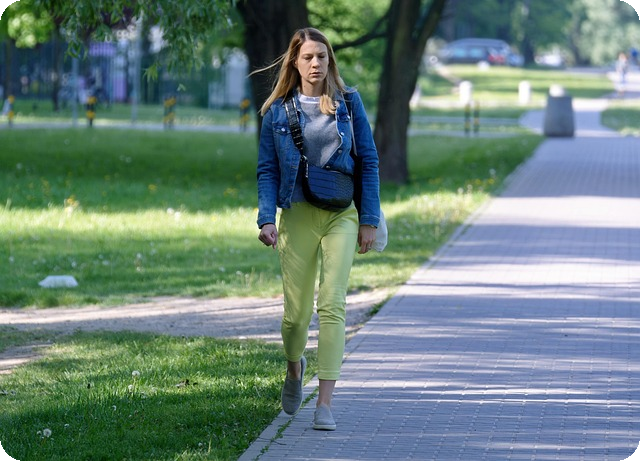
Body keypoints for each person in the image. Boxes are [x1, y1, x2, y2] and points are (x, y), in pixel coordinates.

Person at [255, 27, 381, 431]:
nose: (315, 64)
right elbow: (267, 169)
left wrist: (369, 219)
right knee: (296, 317)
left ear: (330, 61)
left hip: (341, 214)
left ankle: (324, 403)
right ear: (295, 61)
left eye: (322, 57)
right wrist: (266, 217)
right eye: (308, 57)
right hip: (297, 214)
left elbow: (369, 160)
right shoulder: (277, 112)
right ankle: (295, 368)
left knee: (332, 305)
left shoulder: (348, 102)